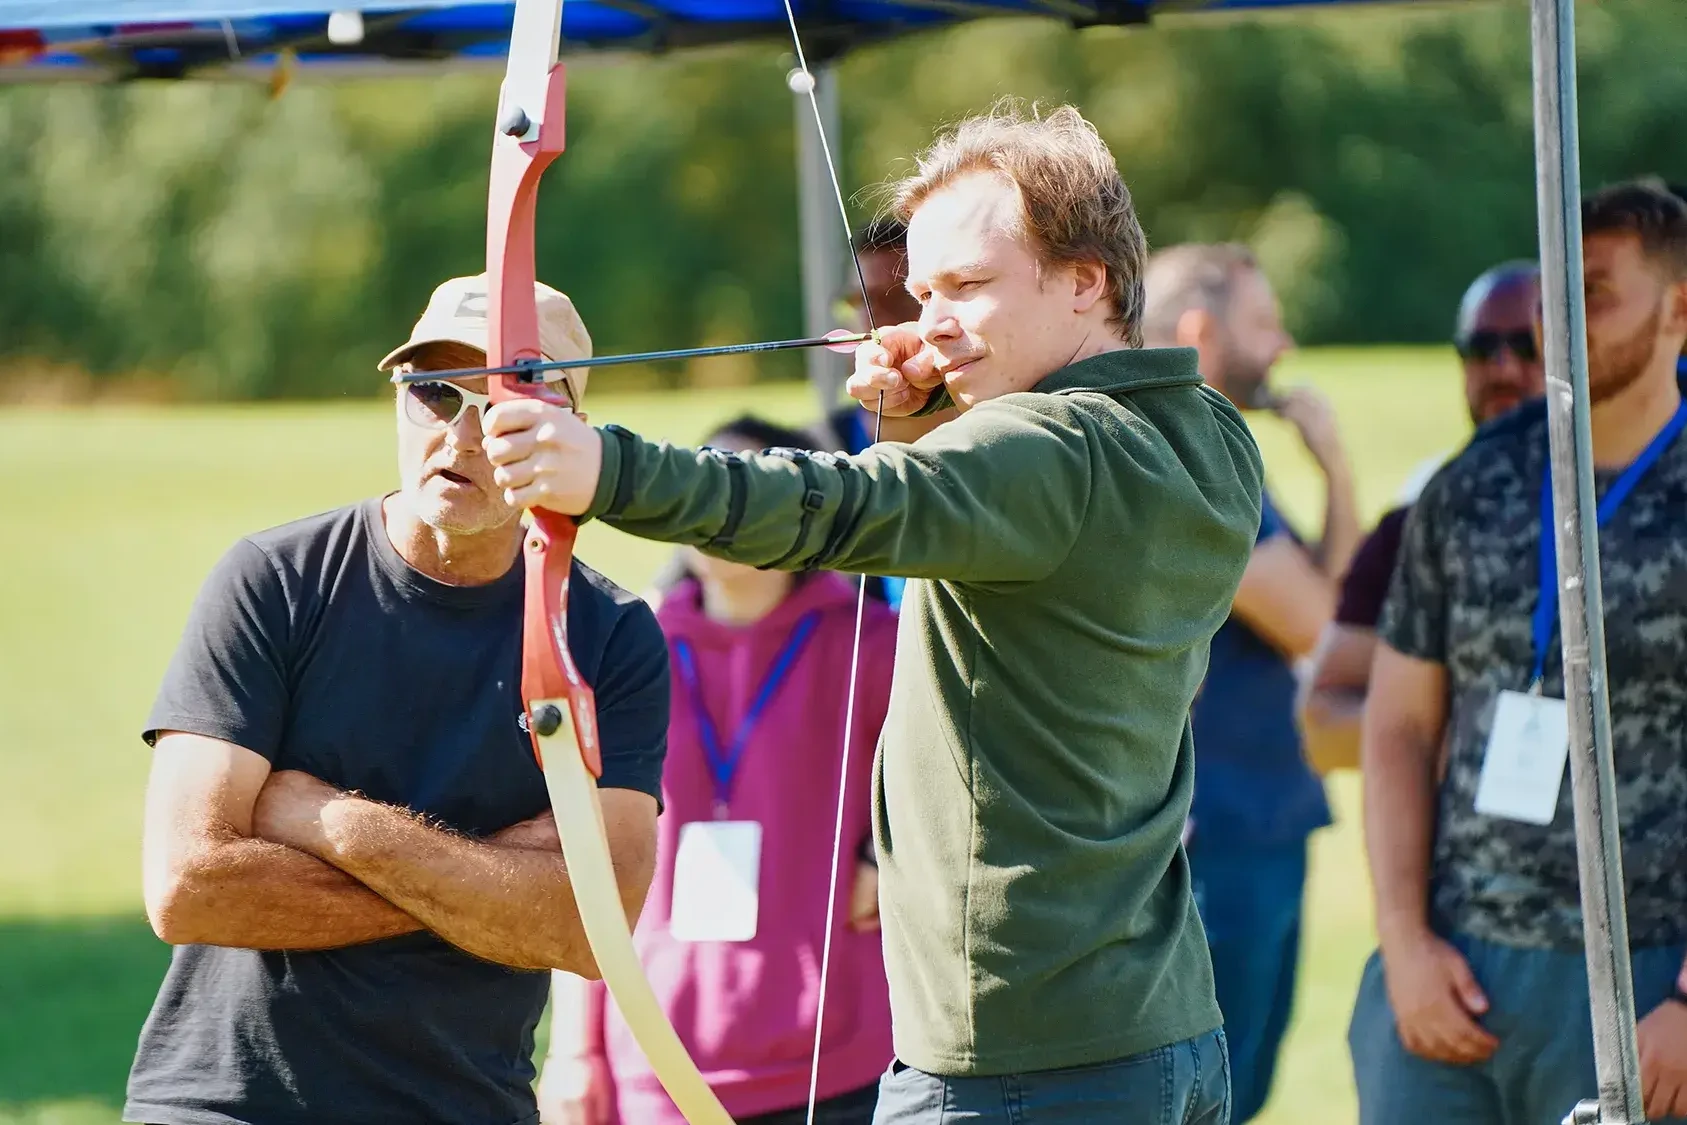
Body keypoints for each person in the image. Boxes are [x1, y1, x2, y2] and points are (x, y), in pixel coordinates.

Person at [479, 102, 1261, 1124]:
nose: (930, 322)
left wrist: (604, 470)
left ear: (1086, 280)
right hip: (1160, 1035)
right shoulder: (1206, 434)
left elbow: (838, 509)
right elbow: (1019, 530)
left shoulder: (1044, 454)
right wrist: (932, 419)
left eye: (970, 287)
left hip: (1016, 1067)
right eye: (923, 291)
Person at [126, 274, 672, 1125]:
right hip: (225, 1100)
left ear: (567, 432)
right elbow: (188, 886)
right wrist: (494, 887)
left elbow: (588, 929)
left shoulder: (609, 634)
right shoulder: (273, 580)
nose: (458, 433)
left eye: (499, 403)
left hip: (462, 1106)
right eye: (431, 391)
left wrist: (327, 820)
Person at [1352, 178, 1687, 1125]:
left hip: (1650, 979)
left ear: (1679, 309)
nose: (1559, 321)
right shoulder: (1470, 485)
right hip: (1450, 977)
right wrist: (1404, 943)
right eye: (1551, 295)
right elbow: (1397, 728)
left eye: (1596, 291)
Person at [539, 415, 896, 1125]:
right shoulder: (628, 653)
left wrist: (894, 856)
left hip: (839, 1066)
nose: (714, 517)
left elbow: (967, 792)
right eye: (704, 489)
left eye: (741, 492)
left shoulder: (871, 645)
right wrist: (575, 1051)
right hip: (658, 1068)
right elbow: (583, 866)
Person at [1139, 241, 1359, 1123]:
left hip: (1251, 817)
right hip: (1221, 833)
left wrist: (1333, 472)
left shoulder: (1221, 458)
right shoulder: (1187, 457)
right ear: (1199, 330)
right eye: (1264, 322)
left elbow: (1330, 606)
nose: (1284, 342)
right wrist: (1336, 460)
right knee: (1217, 1095)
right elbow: (1324, 629)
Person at [1296, 262, 1544, 775]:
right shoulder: (1417, 525)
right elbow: (1323, 726)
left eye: (1528, 346)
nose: (1502, 369)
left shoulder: (1648, 509)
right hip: (1463, 850)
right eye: (1480, 349)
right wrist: (1462, 728)